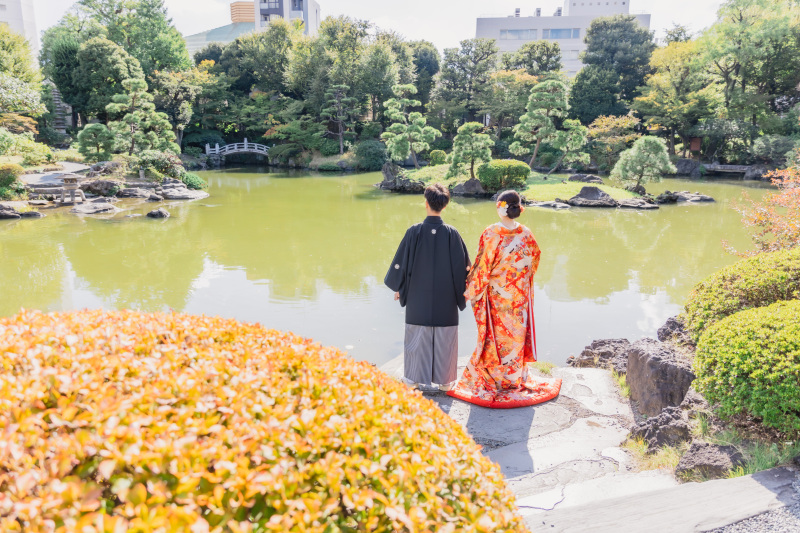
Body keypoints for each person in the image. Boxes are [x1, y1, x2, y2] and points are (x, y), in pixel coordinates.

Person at [447, 190, 562, 408]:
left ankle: (497, 380)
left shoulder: (491, 233)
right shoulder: (526, 233)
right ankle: (514, 377)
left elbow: (482, 267)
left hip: (498, 297)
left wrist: (471, 287)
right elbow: (534, 260)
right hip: (518, 296)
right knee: (515, 336)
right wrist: (518, 279)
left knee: (497, 337)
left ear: (501, 207)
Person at [385, 183, 471, 391]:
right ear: (445, 206)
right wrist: (465, 292)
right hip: (447, 297)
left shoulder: (413, 232)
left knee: (417, 333)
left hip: (417, 295)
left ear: (426, 204)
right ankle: (445, 381)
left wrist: (399, 286)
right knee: (445, 337)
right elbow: (463, 267)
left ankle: (413, 379)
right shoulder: (452, 233)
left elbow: (402, 263)